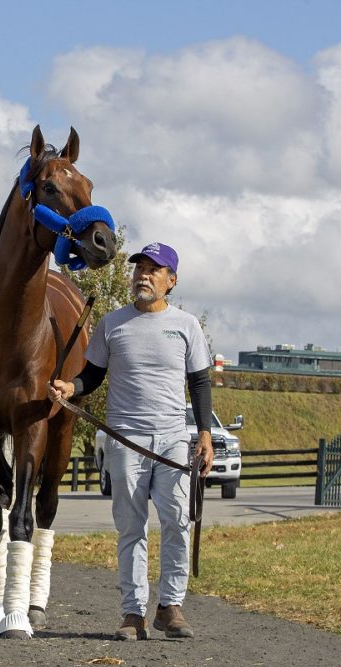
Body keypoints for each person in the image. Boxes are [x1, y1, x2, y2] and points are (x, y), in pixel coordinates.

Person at [48, 242, 213, 640]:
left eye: (154, 269)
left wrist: (204, 435)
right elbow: (93, 374)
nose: (143, 274)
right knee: (130, 528)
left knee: (177, 521)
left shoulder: (187, 325)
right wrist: (71, 386)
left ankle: (170, 606)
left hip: (174, 438)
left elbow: (200, 382)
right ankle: (133, 613)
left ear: (171, 281)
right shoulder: (112, 323)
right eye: (139, 267)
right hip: (125, 440)